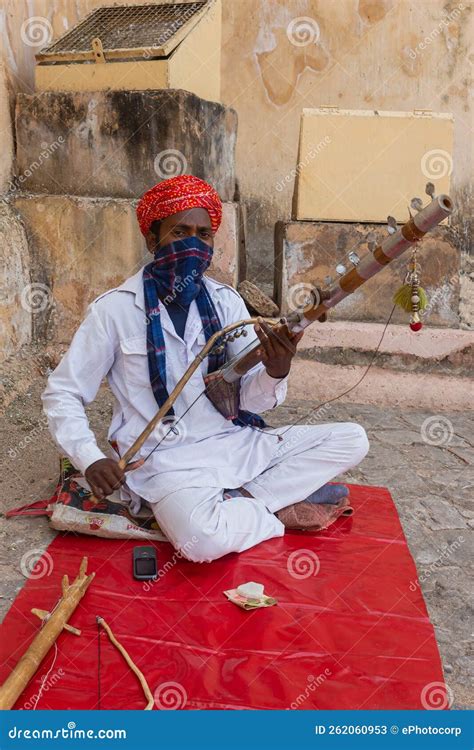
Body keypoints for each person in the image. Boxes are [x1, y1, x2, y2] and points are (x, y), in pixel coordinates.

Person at [42, 175, 369, 562]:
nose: (194, 245)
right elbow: (63, 392)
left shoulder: (227, 304)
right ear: (152, 239)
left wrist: (276, 371)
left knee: (352, 438)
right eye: (180, 232)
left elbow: (249, 400)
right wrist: (90, 458)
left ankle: (246, 501)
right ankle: (270, 505)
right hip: (167, 464)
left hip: (233, 444)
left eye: (204, 235)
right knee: (201, 544)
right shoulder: (113, 311)